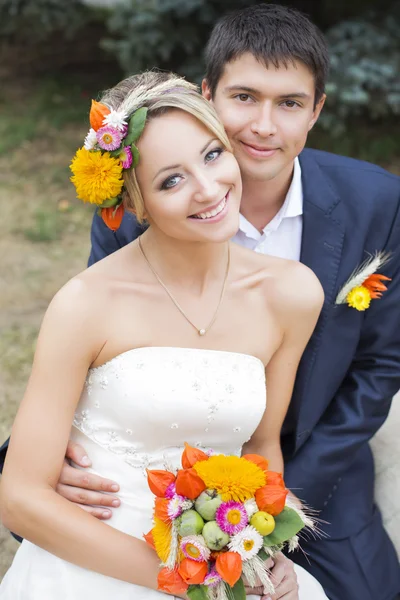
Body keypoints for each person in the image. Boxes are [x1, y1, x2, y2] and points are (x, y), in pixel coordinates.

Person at [4, 3, 398, 599]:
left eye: (290, 103)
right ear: (210, 96)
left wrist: (265, 528)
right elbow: (99, 370)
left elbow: (377, 366)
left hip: (301, 479)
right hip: (130, 501)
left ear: (317, 110)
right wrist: (49, 463)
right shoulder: (116, 250)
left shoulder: (363, 216)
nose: (263, 127)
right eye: (244, 97)